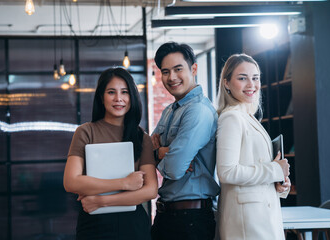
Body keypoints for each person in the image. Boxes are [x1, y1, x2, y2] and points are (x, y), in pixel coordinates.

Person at [63, 67, 158, 240]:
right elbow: (71, 181)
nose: (118, 98)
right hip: (93, 224)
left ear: (132, 97)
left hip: (132, 224)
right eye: (111, 92)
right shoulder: (85, 132)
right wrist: (124, 183)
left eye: (125, 92)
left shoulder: (141, 137)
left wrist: (101, 201)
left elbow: (151, 190)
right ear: (101, 97)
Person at [216, 53, 291, 240]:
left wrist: (279, 183)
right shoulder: (231, 118)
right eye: (242, 78)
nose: (251, 85)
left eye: (255, 78)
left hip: (259, 216)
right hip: (247, 222)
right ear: (227, 83)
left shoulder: (248, 116)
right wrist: (275, 170)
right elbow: (226, 172)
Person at [150, 42, 220, 240]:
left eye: (178, 69)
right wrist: (161, 153)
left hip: (191, 220)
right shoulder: (169, 111)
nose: (171, 77)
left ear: (194, 69)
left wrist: (157, 154)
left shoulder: (198, 111)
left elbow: (174, 168)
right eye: (165, 71)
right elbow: (143, 151)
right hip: (168, 215)